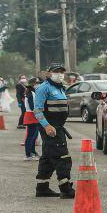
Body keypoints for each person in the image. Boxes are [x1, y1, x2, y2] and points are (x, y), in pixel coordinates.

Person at [32, 64, 75, 199]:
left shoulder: (60, 87)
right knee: (63, 157)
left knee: (48, 157)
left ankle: (42, 187)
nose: (60, 74)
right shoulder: (43, 88)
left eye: (62, 72)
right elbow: (37, 111)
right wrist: (47, 126)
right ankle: (66, 188)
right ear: (49, 73)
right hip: (51, 128)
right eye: (56, 72)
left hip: (58, 127)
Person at [22, 77, 40, 161]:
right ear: (33, 84)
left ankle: (32, 152)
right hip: (31, 115)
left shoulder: (32, 92)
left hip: (33, 115)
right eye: (37, 83)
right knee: (30, 136)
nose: (38, 84)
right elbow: (32, 106)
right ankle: (28, 154)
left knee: (34, 135)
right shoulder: (30, 93)